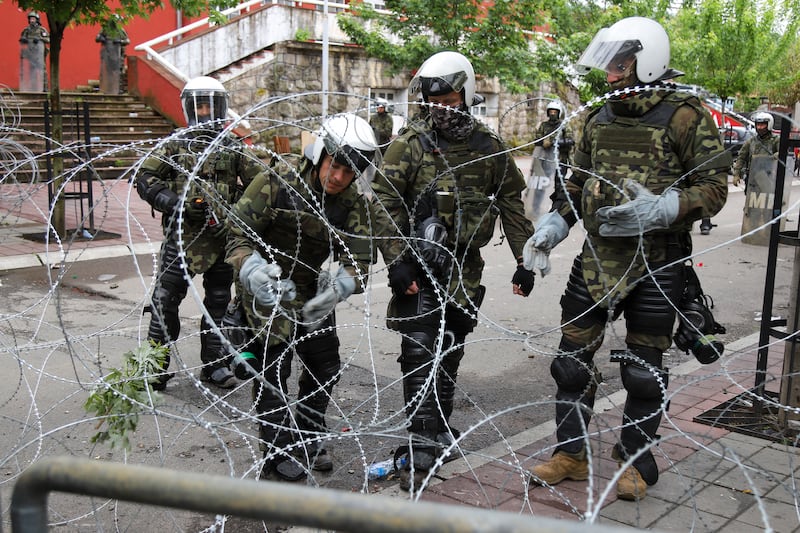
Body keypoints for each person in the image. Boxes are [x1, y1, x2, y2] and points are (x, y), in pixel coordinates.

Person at [523, 17, 730, 501]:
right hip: (597, 261)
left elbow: (716, 186)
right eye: (610, 64)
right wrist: (554, 227)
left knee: (642, 368)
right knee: (571, 364)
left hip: (658, 263)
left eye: (621, 63)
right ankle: (571, 456)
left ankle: (635, 460)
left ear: (649, 62)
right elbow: (575, 185)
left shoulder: (686, 115)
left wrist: (667, 207)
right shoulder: (598, 118)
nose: (611, 75)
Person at [369, 51, 536, 492]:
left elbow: (512, 205)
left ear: (466, 91)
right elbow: (382, 201)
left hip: (466, 266)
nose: (440, 101)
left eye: (448, 93)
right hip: (420, 262)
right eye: (433, 94)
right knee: (420, 348)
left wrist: (525, 259)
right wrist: (397, 257)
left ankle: (438, 424)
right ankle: (420, 444)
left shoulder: (488, 147)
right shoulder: (413, 143)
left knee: (451, 345)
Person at [225, 114, 378, 482]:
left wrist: (339, 286)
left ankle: (308, 437)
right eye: (335, 165)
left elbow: (357, 259)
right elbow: (236, 233)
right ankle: (277, 453)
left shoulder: (351, 203)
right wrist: (252, 270)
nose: (339, 177)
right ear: (319, 156)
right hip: (264, 285)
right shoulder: (275, 183)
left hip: (310, 288)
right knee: (274, 369)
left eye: (348, 172)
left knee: (324, 364)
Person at [135, 76, 263, 390]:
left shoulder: (232, 145)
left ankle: (214, 365)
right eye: (200, 105)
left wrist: (245, 212)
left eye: (210, 105)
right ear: (190, 108)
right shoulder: (175, 143)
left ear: (220, 107)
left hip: (221, 238)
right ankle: (155, 367)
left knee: (218, 301)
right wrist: (176, 204)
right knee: (165, 300)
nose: (205, 112)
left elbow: (259, 184)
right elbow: (145, 177)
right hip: (182, 238)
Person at [527, 99, 574, 219]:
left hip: (560, 161)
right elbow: (536, 140)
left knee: (559, 186)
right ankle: (536, 209)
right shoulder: (543, 126)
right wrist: (542, 142)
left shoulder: (564, 126)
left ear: (559, 113)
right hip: (545, 160)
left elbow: (570, 141)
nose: (553, 113)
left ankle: (556, 211)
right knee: (540, 185)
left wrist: (553, 142)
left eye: (555, 111)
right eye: (551, 111)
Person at [733, 112, 780, 188]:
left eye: (762, 125)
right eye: (758, 125)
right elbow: (741, 158)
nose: (760, 127)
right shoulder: (751, 141)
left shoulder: (776, 140)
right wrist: (736, 174)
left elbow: (783, 154)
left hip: (769, 177)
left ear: (769, 125)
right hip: (752, 178)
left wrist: (775, 156)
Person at [19, 11, 49, 92]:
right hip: (30, 53)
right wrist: (23, 40)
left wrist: (39, 39)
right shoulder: (26, 30)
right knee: (32, 70)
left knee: (42, 69)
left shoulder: (41, 30)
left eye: (33, 19)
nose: (32, 20)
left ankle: (45, 87)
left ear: (37, 20)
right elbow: (22, 38)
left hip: (40, 54)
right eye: (30, 19)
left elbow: (48, 39)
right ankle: (33, 87)